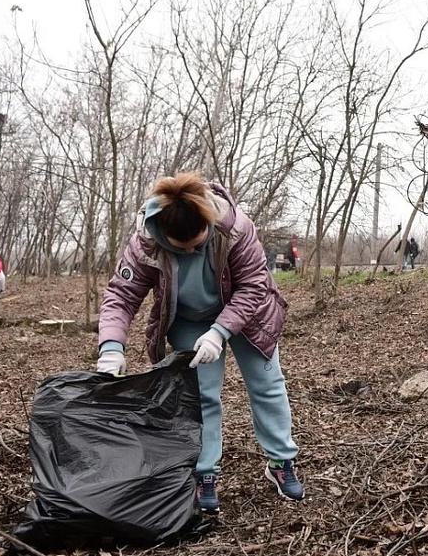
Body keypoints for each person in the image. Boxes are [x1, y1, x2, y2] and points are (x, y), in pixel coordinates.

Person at [94, 172, 303, 513]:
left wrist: (220, 332)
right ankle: (205, 473)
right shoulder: (145, 244)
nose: (191, 250)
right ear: (163, 234)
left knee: (267, 385)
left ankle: (281, 461)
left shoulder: (234, 228)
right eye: (182, 247)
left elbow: (254, 286)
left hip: (249, 313)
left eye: (197, 243)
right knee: (202, 395)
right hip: (190, 321)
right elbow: (121, 296)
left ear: (208, 221)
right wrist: (111, 347)